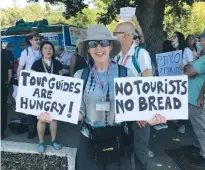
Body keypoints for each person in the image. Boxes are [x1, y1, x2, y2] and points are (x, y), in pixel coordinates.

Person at [38, 24, 166, 169]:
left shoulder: (126, 74)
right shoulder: (80, 76)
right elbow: (79, 113)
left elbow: (137, 109)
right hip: (89, 140)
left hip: (118, 140)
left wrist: (150, 116)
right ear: (88, 49)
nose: (98, 48)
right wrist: (54, 114)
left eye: (103, 42)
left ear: (111, 46)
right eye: (93, 44)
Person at [114, 22, 153, 170]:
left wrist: (143, 112)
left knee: (140, 150)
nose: (113, 36)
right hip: (122, 112)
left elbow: (149, 84)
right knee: (124, 149)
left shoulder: (141, 54)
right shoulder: (117, 57)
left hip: (139, 112)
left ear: (125, 36)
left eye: (115, 33)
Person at [31, 41, 63, 153]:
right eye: (45, 48)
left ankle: (53, 140)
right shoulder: (36, 64)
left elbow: (62, 79)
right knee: (41, 119)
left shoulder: (57, 63)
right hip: (41, 96)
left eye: (50, 48)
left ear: (53, 51)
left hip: (54, 95)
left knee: (53, 118)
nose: (48, 50)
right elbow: (32, 80)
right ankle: (41, 141)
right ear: (41, 51)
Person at [183, 38, 205, 167]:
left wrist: (187, 66)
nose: (200, 43)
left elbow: (189, 72)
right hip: (196, 97)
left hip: (197, 100)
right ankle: (200, 148)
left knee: (202, 128)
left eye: (203, 41)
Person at [17, 31, 43, 139]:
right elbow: (20, 68)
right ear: (30, 40)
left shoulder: (43, 51)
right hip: (29, 83)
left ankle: (42, 128)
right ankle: (33, 129)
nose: (38, 41)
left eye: (39, 39)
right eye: (36, 39)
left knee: (42, 106)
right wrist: (20, 83)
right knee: (31, 107)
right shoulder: (25, 52)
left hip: (42, 83)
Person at [171, 31, 190, 134]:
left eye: (174, 37)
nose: (171, 38)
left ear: (180, 38)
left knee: (183, 102)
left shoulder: (186, 50)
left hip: (184, 81)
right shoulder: (174, 51)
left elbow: (192, 65)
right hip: (176, 81)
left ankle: (183, 124)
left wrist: (185, 66)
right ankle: (179, 120)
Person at [1, 46, 13, 139]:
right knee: (3, 108)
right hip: (3, 85)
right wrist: (7, 82)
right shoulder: (6, 56)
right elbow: (10, 72)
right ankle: (1, 132)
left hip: (3, 86)